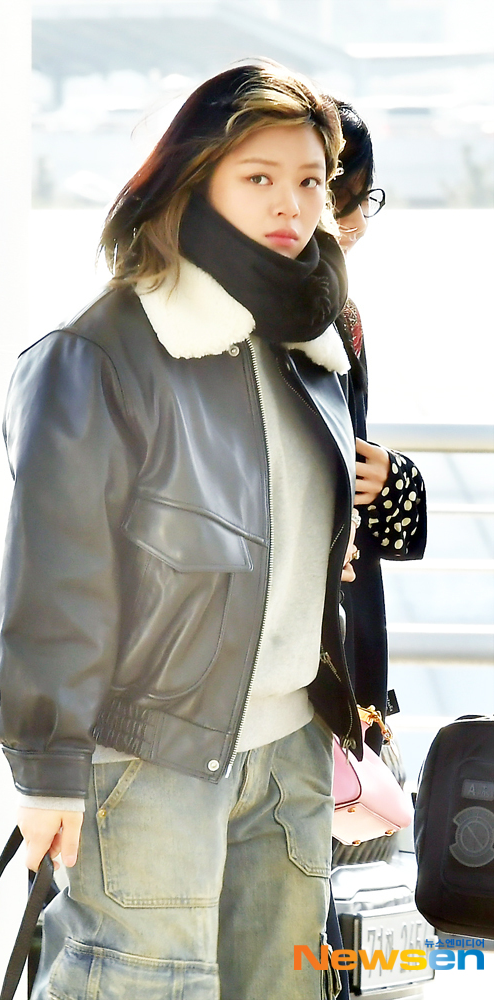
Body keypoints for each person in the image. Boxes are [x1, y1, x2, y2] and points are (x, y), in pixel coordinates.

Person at [0, 63, 362, 1000]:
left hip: (290, 752)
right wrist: (46, 769)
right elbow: (54, 577)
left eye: (310, 179)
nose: (291, 204)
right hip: (150, 759)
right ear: (194, 178)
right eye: (258, 177)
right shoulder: (99, 352)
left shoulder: (310, 343)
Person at [324, 101, 428, 1000]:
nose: (354, 216)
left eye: (362, 195)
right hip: (293, 691)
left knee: (355, 933)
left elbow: (368, 499)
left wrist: (387, 476)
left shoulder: (342, 319)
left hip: (351, 675)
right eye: (342, 192)